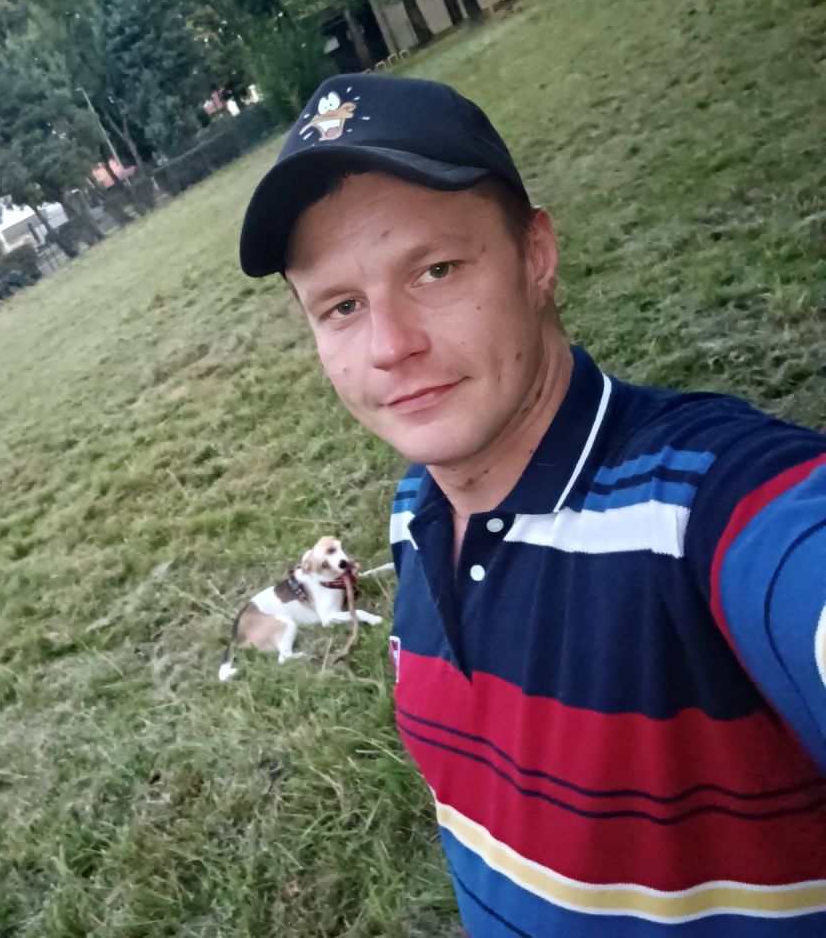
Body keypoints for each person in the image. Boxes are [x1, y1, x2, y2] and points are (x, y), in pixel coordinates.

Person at [238, 73, 826, 937]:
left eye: (436, 270)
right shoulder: (415, 513)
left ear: (537, 258)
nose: (390, 346)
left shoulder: (708, 508)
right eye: (343, 306)